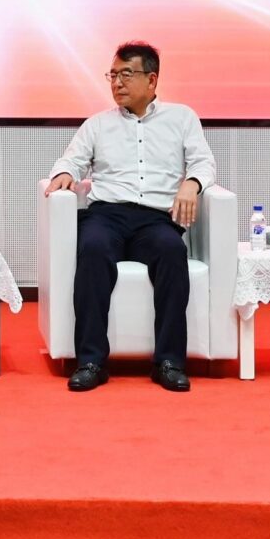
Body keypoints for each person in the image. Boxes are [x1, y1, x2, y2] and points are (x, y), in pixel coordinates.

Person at [44, 41, 215, 394]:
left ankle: (169, 362)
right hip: (106, 216)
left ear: (151, 79)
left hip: (155, 220)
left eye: (126, 74)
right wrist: (64, 173)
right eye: (112, 75)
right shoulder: (97, 125)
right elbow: (71, 160)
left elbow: (203, 162)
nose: (117, 82)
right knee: (92, 250)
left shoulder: (182, 118)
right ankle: (91, 362)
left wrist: (192, 183)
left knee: (172, 252)